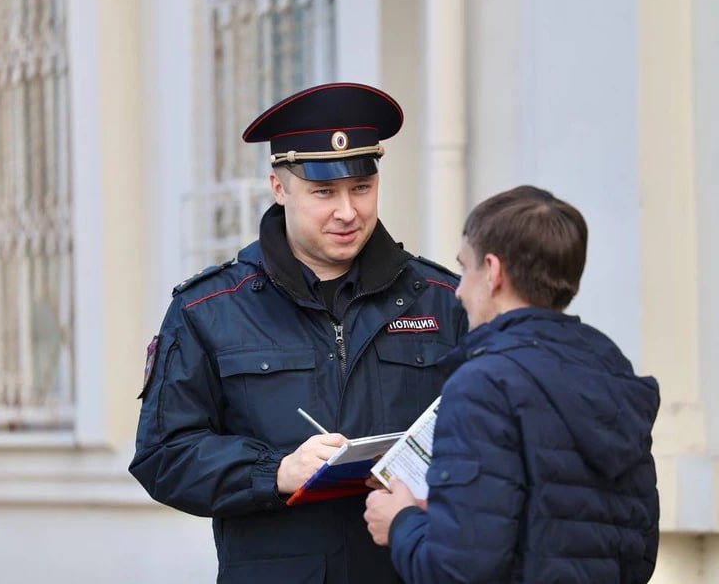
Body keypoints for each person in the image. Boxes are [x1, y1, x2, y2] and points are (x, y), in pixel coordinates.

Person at [130, 82, 468, 583]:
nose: (348, 212)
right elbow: (165, 455)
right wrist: (276, 471)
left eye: (362, 188)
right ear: (278, 186)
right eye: (323, 192)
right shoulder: (208, 309)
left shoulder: (443, 299)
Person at [364, 185, 661, 584]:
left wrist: (400, 522)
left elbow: (458, 570)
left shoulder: (482, 386)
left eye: (465, 268)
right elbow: (638, 553)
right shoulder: (610, 371)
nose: (459, 290)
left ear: (493, 271)